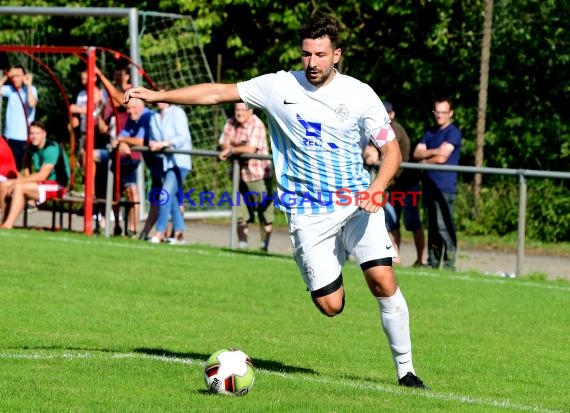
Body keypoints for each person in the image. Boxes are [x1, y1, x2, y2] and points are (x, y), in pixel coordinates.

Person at [124, 14, 428, 389]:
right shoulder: (277, 86)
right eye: (306, 54)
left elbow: (392, 150)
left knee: (382, 279)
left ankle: (407, 371)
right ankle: (330, 269)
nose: (312, 63)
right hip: (306, 213)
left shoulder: (360, 94)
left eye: (320, 54)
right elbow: (217, 92)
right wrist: (158, 96)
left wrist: (377, 187)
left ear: (337, 55)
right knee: (331, 306)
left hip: (356, 204)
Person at [363, 101, 425, 266]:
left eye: (387, 113)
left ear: (392, 114)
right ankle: (395, 256)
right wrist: (371, 153)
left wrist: (374, 153)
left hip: (407, 183)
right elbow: (369, 152)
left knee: (412, 223)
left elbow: (383, 151)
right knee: (391, 222)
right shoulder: (379, 129)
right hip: (394, 185)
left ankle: (421, 259)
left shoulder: (393, 129)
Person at [413, 97, 462, 271]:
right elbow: (417, 153)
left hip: (445, 187)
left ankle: (449, 264)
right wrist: (433, 152)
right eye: (437, 112)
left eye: (443, 112)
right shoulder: (430, 132)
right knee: (432, 227)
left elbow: (443, 158)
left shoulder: (453, 132)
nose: (439, 116)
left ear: (450, 113)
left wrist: (426, 159)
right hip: (428, 186)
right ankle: (433, 262)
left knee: (444, 225)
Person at [218, 102, 273, 251]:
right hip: (238, 174)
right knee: (240, 212)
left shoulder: (257, 124)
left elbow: (250, 149)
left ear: (251, 111)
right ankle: (242, 246)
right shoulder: (230, 122)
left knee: (264, 212)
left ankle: (264, 247)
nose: (239, 113)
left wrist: (231, 149)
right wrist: (234, 148)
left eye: (243, 110)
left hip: (258, 174)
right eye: (237, 109)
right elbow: (222, 143)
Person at [0, 121, 69, 229]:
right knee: (4, 185)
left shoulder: (51, 148)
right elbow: (26, 164)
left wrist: (18, 181)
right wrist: (23, 177)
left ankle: (8, 225)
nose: (34, 136)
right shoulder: (31, 147)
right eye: (31, 133)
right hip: (41, 183)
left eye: (37, 133)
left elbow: (42, 176)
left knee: (18, 187)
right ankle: (3, 220)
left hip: (57, 184)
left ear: (44, 134)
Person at [147, 99, 192, 244]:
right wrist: (153, 143)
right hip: (166, 162)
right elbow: (154, 137)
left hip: (179, 161)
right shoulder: (154, 116)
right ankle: (179, 234)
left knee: (164, 194)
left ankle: (159, 232)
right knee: (171, 199)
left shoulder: (177, 113)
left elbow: (182, 137)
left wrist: (164, 143)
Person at [111, 97, 155, 237]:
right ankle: (137, 230)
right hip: (146, 161)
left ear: (140, 107)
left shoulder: (148, 116)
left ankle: (173, 233)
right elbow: (121, 136)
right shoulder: (132, 118)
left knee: (169, 197)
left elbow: (141, 141)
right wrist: (121, 142)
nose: (129, 111)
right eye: (127, 108)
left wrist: (123, 141)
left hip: (161, 161)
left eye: (132, 108)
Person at [0, 65, 39, 171]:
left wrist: (29, 85)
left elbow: (31, 103)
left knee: (18, 168)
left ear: (24, 76)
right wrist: (6, 77)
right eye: (13, 76)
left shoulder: (30, 90)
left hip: (22, 138)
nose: (14, 78)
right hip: (8, 136)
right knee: (5, 168)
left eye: (17, 76)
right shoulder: (10, 90)